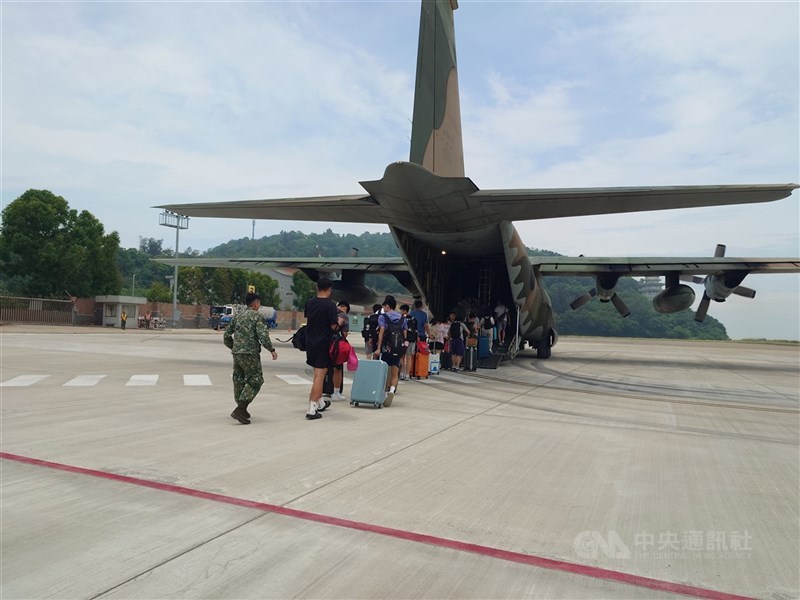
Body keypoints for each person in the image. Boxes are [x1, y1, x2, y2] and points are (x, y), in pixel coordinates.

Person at [223, 293, 278, 424]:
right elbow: (263, 335)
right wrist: (272, 349)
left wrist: (235, 347)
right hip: (250, 353)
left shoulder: (238, 316)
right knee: (256, 380)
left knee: (239, 379)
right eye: (258, 303)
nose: (259, 306)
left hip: (237, 353)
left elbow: (226, 335)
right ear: (255, 303)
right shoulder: (257, 316)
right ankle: (240, 408)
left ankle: (242, 408)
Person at [304, 278, 339, 420]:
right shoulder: (330, 305)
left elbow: (309, 319)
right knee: (320, 375)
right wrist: (338, 324)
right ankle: (312, 408)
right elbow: (333, 326)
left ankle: (320, 402)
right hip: (323, 343)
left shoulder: (310, 302)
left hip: (310, 341)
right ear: (329, 289)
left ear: (317, 287)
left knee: (318, 373)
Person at [373, 295, 407, 407]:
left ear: (387, 306)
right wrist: (403, 349)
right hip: (398, 347)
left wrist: (378, 348)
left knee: (385, 371)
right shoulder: (402, 318)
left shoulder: (383, 317)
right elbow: (405, 335)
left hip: (387, 347)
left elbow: (381, 333)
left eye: (384, 307)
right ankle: (392, 390)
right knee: (395, 371)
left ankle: (384, 393)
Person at [331, 300, 350, 401]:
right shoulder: (344, 316)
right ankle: (336, 393)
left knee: (323, 369)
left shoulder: (330, 312)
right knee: (337, 369)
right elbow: (345, 333)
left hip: (325, 342)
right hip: (336, 345)